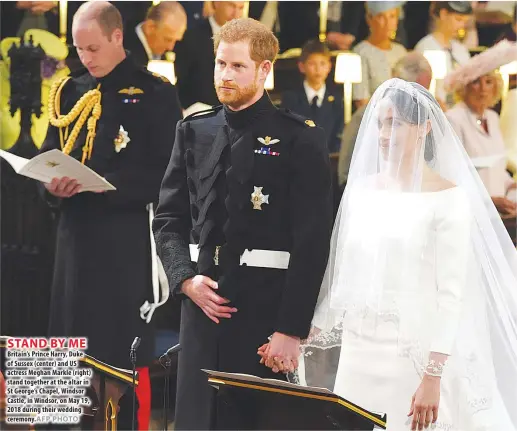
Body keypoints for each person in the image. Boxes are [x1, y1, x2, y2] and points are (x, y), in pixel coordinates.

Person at [261, 78, 517, 430]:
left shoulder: (449, 198)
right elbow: (346, 278)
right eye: (380, 122)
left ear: (425, 127)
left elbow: (452, 295)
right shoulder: (362, 190)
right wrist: (301, 337)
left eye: (395, 123)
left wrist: (433, 376)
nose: (383, 133)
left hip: (413, 354)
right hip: (359, 351)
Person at [152, 17, 333, 430]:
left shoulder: (300, 139)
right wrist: (184, 279)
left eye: (237, 67)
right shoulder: (192, 131)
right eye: (220, 64)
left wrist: (291, 329)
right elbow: (168, 220)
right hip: (201, 305)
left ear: (264, 70)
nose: (225, 76)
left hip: (265, 312)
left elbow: (313, 242)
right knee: (197, 420)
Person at [38, 2, 182, 429]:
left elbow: (168, 176)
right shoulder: (68, 91)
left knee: (116, 357)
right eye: (79, 49)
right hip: (72, 240)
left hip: (123, 242)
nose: (86, 58)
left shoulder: (154, 92)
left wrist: (103, 184)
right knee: (64, 352)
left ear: (118, 37)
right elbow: (48, 155)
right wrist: (50, 186)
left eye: (94, 47)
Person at [339, 51, 433, 189]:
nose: (419, 99)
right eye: (416, 89)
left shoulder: (424, 120)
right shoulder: (366, 115)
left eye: (425, 90)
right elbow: (346, 173)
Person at [174, 1, 245, 110]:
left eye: (241, 8)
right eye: (231, 6)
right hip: (199, 113)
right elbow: (182, 82)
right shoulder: (191, 37)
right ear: (216, 3)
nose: (236, 13)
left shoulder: (246, 40)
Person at [280, 39, 344, 154]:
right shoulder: (291, 98)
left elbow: (338, 135)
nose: (318, 69)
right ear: (302, 66)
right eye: (312, 63)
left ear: (329, 67)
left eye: (322, 63)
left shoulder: (336, 100)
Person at [415, 1, 472, 109]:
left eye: (465, 22)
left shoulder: (461, 49)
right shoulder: (426, 47)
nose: (461, 26)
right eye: (458, 19)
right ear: (443, 14)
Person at [352, 1, 407, 109]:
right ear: (369, 19)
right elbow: (361, 100)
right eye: (381, 17)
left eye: (392, 16)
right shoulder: (360, 52)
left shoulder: (401, 51)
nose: (387, 23)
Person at [124, 1, 187, 68]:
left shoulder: (160, 55)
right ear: (150, 27)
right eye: (167, 39)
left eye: (175, 41)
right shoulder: (126, 55)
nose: (170, 47)